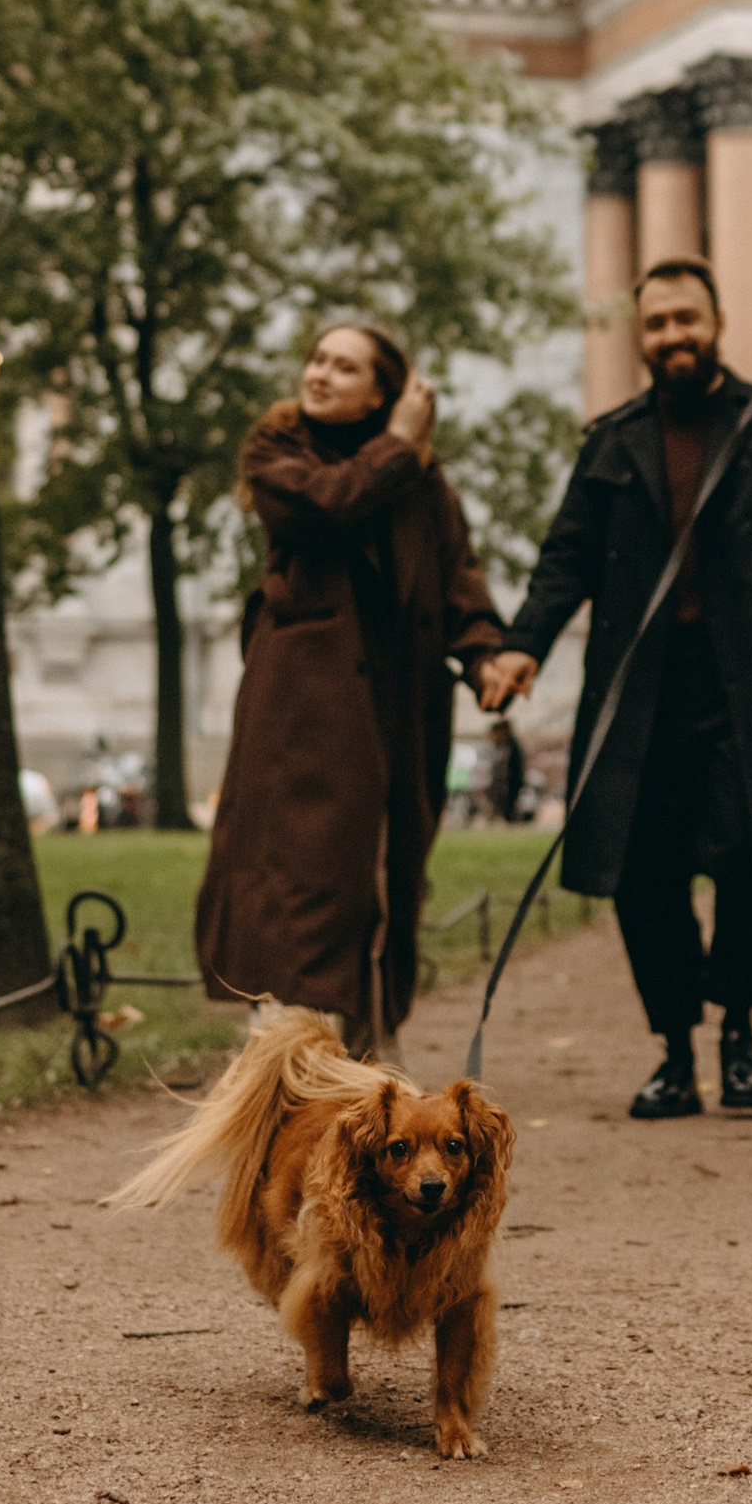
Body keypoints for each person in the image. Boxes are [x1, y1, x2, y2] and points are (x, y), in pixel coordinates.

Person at [479, 257, 752, 1118]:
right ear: (642, 337)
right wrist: (522, 648)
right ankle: (673, 1051)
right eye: (658, 323)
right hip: (641, 695)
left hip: (749, 692)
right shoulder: (613, 440)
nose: (673, 336)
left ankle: (737, 1032)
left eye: (686, 319)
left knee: (747, 864)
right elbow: (565, 560)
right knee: (642, 877)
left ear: (717, 323)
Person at [197, 321, 503, 1055]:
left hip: (399, 710)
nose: (319, 374)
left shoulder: (420, 482)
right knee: (299, 874)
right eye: (316, 359)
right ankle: (285, 1057)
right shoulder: (277, 453)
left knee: (388, 875)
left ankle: (371, 1051)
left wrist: (486, 653)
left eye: (342, 366)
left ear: (378, 394)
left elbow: (457, 572)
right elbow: (328, 506)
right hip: (302, 715)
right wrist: (397, 444)